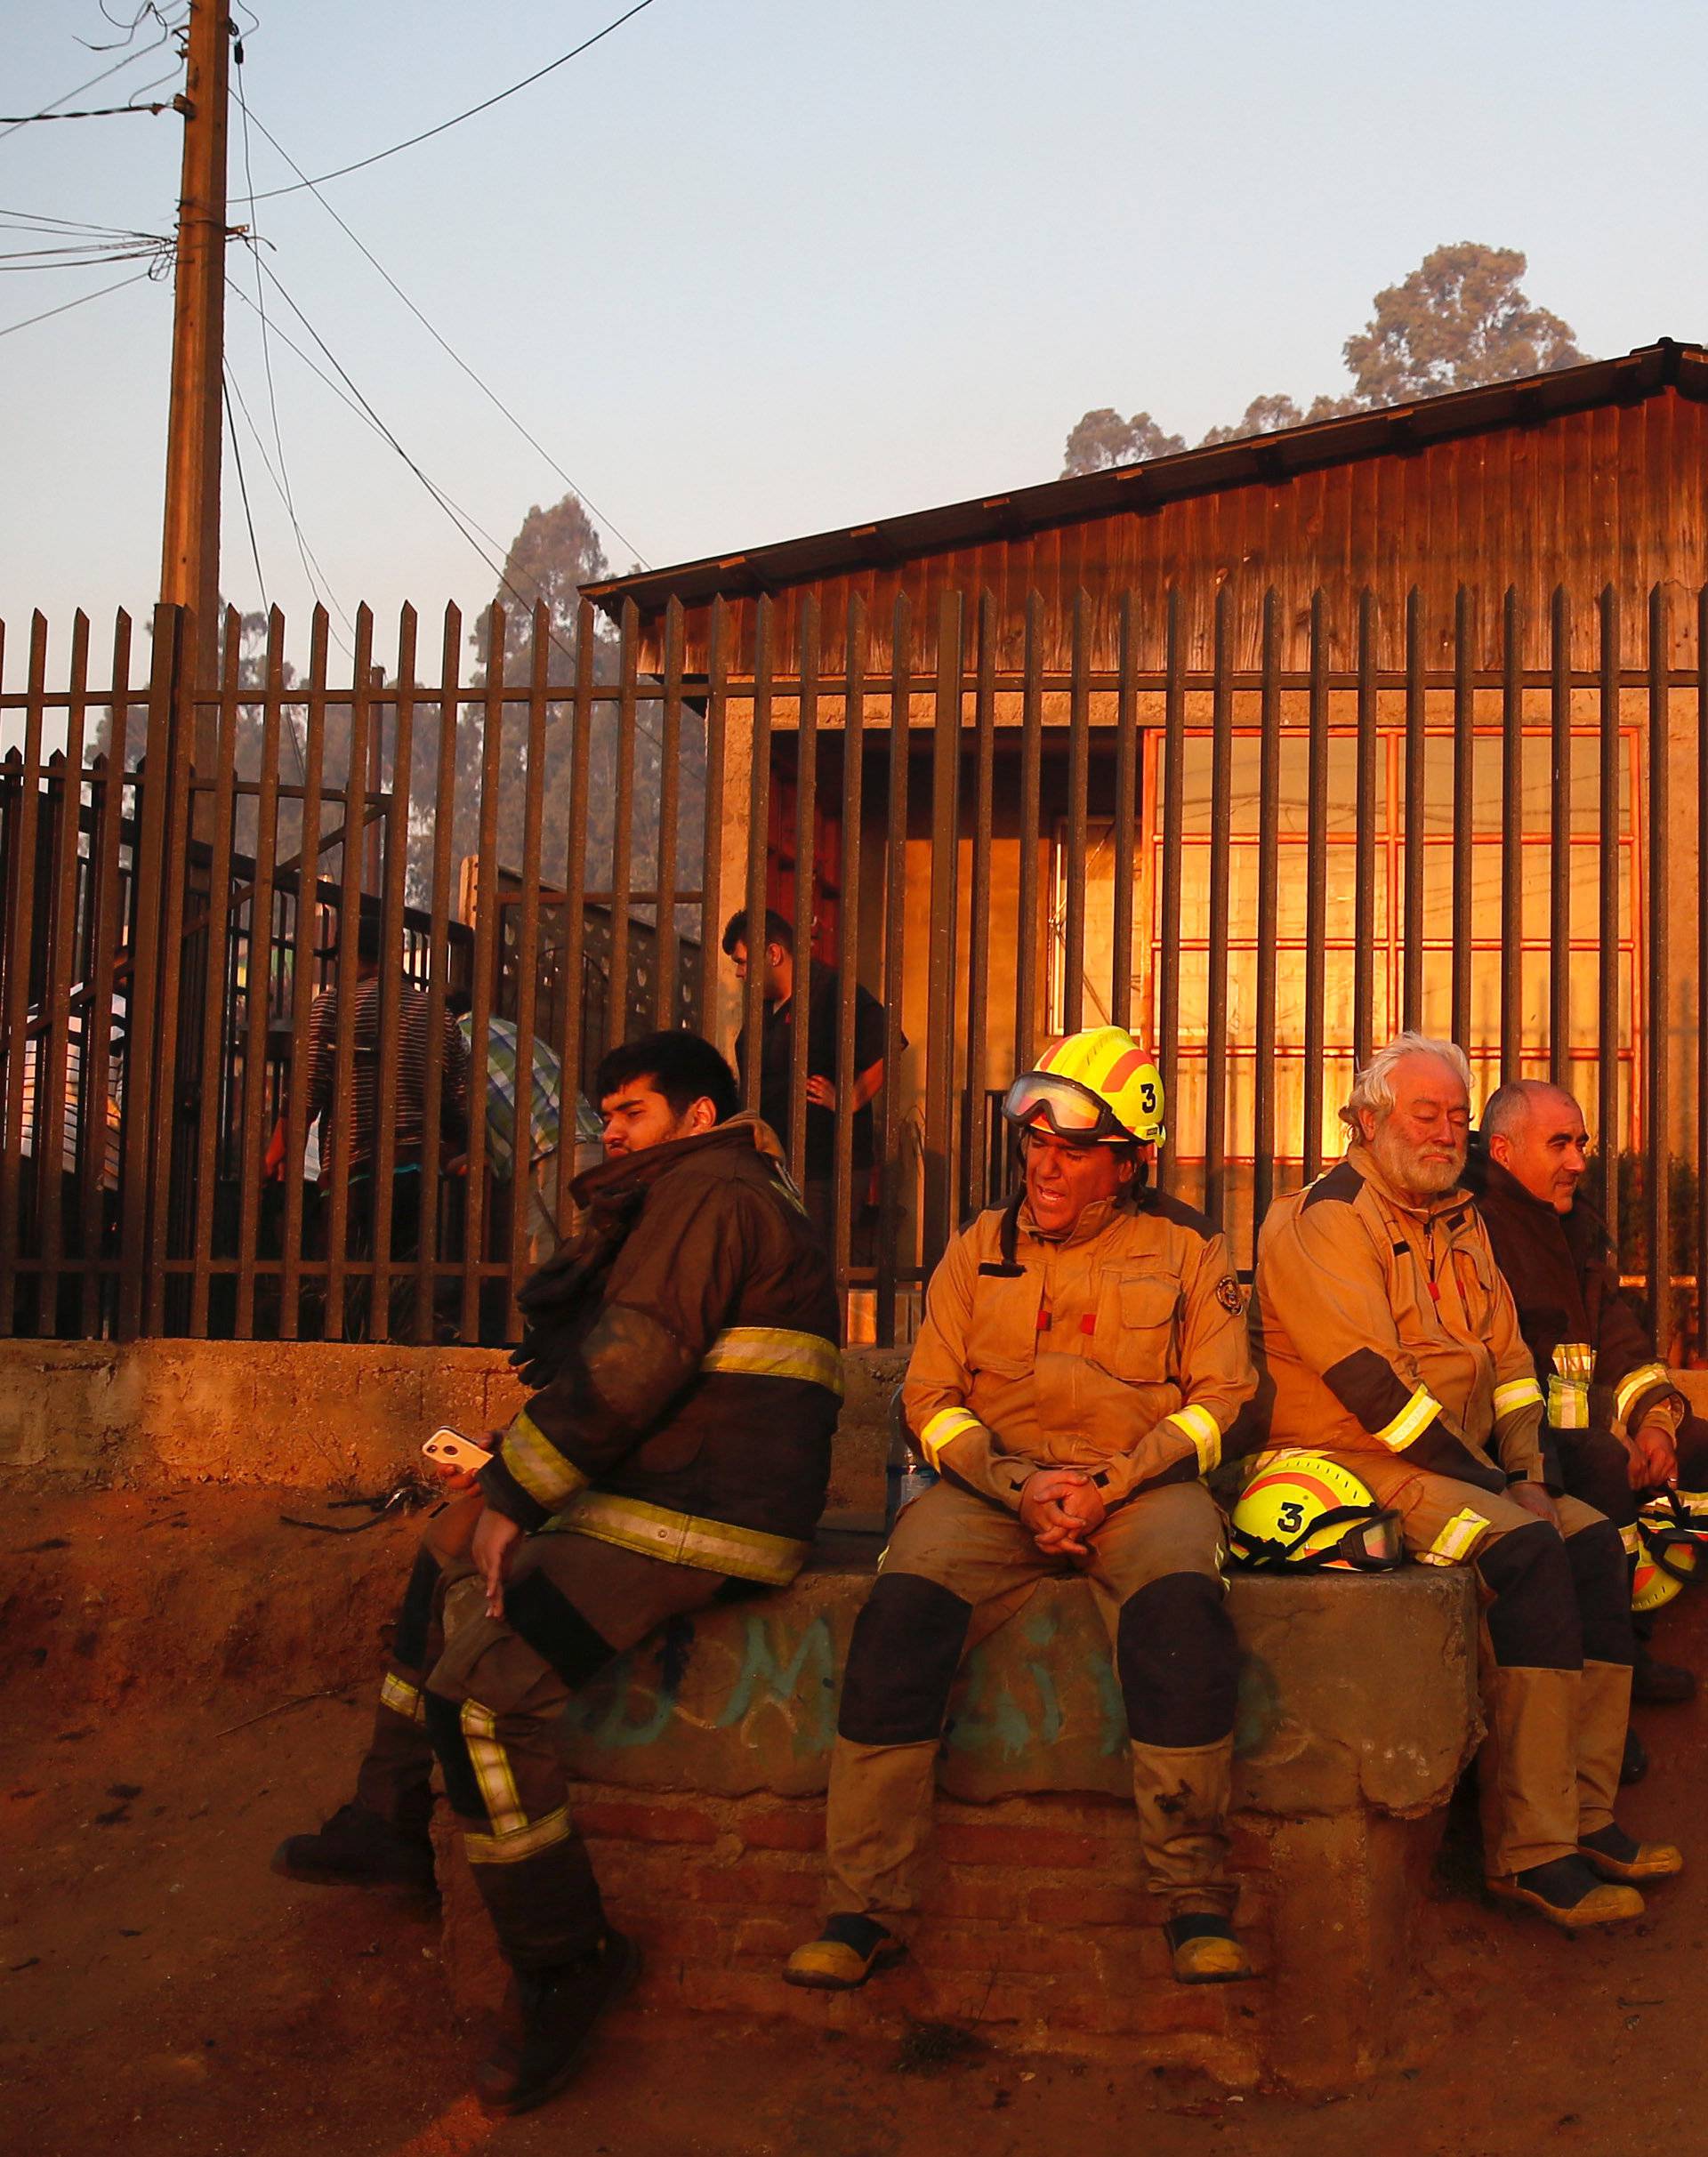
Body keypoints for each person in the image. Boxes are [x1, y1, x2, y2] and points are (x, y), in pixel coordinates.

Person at [273, 1029, 843, 2117]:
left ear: (697, 1114)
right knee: (439, 1546)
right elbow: (619, 1373)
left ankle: (565, 1961)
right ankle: (387, 1820)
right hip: (671, 1486)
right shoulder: (700, 1191)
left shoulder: (711, 1194)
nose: (610, 1132)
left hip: (701, 1515)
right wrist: (493, 1491)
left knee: (484, 1703)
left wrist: (520, 1499)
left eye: (629, 1112)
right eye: (607, 1113)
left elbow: (632, 1366)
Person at [784, 1026, 1261, 1993]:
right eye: (1035, 1143)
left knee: (1181, 1619)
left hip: (1140, 1491)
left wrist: (1110, 1483)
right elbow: (929, 1400)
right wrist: (1017, 1484)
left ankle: (1194, 1899)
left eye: (1072, 1150)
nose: (1044, 1166)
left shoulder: (1190, 1252)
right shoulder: (974, 1247)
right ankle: (862, 1909)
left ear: (1127, 1162)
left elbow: (1222, 1403)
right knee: (899, 1619)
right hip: (990, 1494)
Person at [1253, 1032, 1680, 1930]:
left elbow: (1512, 1367)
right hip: (1362, 1467)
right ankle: (1529, 1851)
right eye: (1426, 1113)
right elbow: (1374, 1392)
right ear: (1368, 1121)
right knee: (1527, 1550)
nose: (1447, 1132)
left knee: (1596, 1545)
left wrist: (1527, 1468)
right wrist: (1502, 1486)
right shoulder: (1323, 1218)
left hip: (1465, 1465)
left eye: (1457, 1115)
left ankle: (1585, 1813)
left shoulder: (1460, 1219)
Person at [1470, 1078, 1708, 1712]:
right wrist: (1616, 1430)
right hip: (1517, 1435)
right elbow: (1519, 1363)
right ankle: (1604, 1679)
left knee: (1701, 1444)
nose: (1578, 1160)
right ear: (1501, 1150)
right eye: (1559, 1144)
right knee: (1600, 1465)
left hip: (1592, 1420)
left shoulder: (1575, 1226)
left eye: (1581, 1142)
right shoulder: (1477, 1231)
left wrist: (1656, 1419)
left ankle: (1633, 1637)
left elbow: (1618, 1337)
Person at [266, 913, 471, 1339]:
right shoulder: (438, 1014)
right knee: (405, 1279)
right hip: (419, 1173)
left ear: (348, 957)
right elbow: (460, 1100)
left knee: (347, 1285)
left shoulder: (334, 1005)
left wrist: (277, 1153)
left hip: (354, 1170)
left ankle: (353, 1358)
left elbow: (307, 1093)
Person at [720, 907, 890, 1244]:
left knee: (816, 1263)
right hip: (775, 1165)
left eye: (742, 961)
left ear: (773, 953)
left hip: (824, 1169)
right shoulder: (764, 1009)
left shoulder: (830, 992)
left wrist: (851, 1098)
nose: (740, 973)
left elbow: (888, 1043)